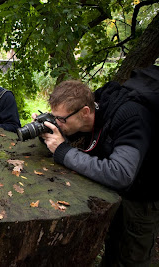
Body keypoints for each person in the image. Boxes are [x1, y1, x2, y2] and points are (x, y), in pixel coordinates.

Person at [37, 67, 159, 266]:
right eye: (54, 117)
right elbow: (78, 131)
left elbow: (120, 174)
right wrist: (49, 134)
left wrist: (63, 151)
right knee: (112, 250)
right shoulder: (97, 108)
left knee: (130, 259)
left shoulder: (131, 116)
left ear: (85, 112)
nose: (57, 122)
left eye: (61, 119)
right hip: (116, 195)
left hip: (141, 200)